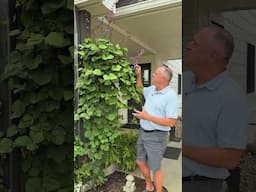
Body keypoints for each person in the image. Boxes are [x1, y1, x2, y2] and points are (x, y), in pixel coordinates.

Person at [182, 25, 248, 192]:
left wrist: (180, 147)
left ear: (213, 55)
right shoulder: (186, 79)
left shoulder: (231, 96)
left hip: (200, 185)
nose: (188, 45)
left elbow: (229, 158)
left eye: (195, 44)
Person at [133, 64, 178, 192]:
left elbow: (171, 122)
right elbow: (140, 89)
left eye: (156, 73)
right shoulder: (152, 89)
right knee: (140, 161)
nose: (153, 74)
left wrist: (148, 117)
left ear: (163, 78)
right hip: (143, 133)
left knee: (155, 168)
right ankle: (149, 185)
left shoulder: (171, 96)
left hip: (157, 136)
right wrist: (138, 74)